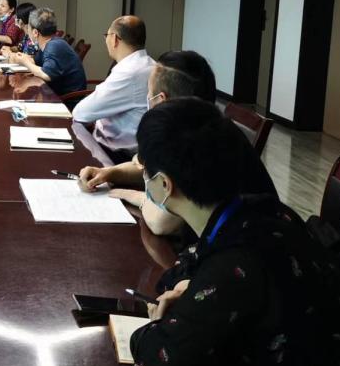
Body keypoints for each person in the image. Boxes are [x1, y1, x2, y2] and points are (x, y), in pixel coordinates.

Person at [129, 98, 340, 366]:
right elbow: (177, 274)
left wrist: (156, 323)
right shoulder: (257, 211)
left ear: (164, 185)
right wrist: (188, 288)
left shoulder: (237, 264)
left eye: (145, 171)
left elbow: (156, 365)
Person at [78, 50, 276, 236]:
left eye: (149, 93)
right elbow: (144, 166)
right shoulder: (193, 123)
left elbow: (162, 223)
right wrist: (108, 173)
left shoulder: (198, 141)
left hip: (243, 244)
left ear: (161, 100)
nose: (148, 99)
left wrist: (133, 196)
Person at [71, 16, 155, 159]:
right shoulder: (149, 64)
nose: (106, 40)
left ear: (115, 39)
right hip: (132, 151)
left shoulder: (129, 72)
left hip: (114, 153)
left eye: (107, 35)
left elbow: (80, 113)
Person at [8, 7, 86, 99]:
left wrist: (25, 62)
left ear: (35, 32)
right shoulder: (50, 43)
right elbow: (34, 62)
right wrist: (20, 58)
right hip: (53, 94)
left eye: (28, 27)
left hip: (66, 101)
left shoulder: (54, 45)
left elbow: (46, 74)